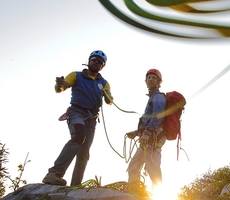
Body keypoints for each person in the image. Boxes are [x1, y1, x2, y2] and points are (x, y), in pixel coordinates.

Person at [42, 50, 113, 186]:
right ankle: (54, 173)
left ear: (102, 66)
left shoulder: (104, 83)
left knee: (84, 152)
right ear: (88, 61)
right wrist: (59, 85)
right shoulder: (76, 75)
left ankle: (76, 185)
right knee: (78, 137)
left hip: (92, 118)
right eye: (94, 60)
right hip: (76, 113)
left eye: (100, 62)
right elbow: (61, 88)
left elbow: (109, 101)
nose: (96, 63)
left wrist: (108, 96)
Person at [126, 69, 167, 189]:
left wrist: (147, 132)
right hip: (147, 138)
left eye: (154, 78)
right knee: (134, 166)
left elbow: (158, 115)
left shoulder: (158, 96)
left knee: (152, 166)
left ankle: (158, 199)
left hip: (153, 137)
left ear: (159, 82)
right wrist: (136, 133)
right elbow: (148, 120)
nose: (151, 79)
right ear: (146, 81)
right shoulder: (152, 97)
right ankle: (134, 193)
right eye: (149, 77)